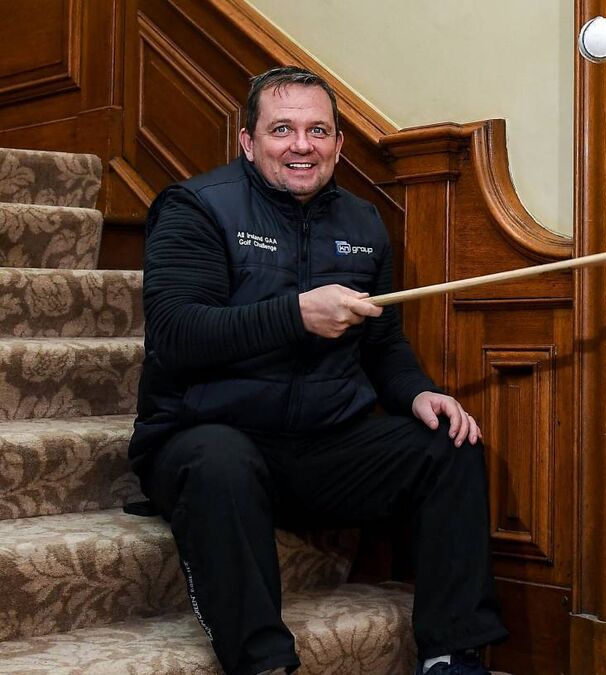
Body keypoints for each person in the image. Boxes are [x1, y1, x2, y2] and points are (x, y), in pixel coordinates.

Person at [128, 65, 507, 675]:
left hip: (322, 445)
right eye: (282, 129)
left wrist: (417, 393)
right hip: (207, 436)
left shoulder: (363, 223)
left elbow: (382, 344)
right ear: (248, 141)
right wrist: (296, 315)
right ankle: (264, 663)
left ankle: (451, 655)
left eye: (318, 131)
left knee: (449, 444)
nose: (301, 145)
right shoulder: (195, 208)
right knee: (220, 462)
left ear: (338, 142)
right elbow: (176, 334)